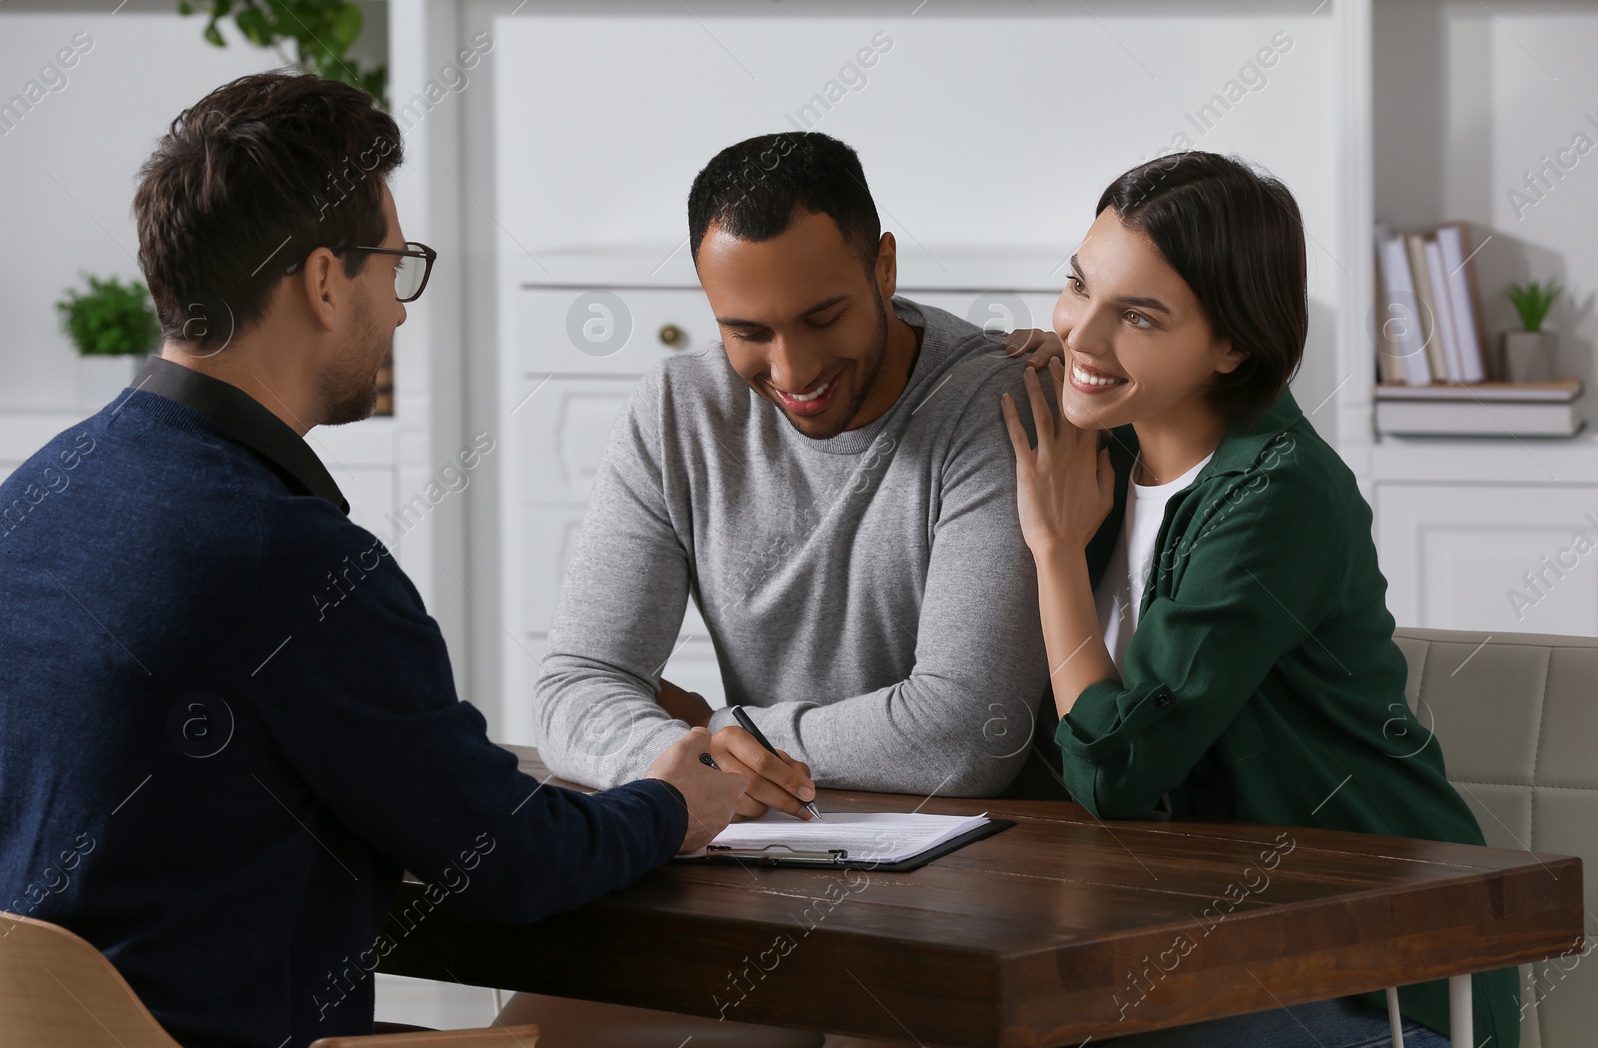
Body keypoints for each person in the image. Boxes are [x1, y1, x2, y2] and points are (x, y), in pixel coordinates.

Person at [0, 71, 746, 1048]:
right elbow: (509, 859)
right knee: (712, 1006)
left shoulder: (30, 499)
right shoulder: (288, 560)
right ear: (321, 280)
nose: (398, 311)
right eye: (395, 267)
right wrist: (672, 802)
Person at [999, 151, 1519, 1046]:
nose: (1083, 336)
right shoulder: (1103, 456)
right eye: (1079, 288)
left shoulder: (1279, 497)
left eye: (1139, 316)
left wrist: (1053, 551)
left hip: (1380, 982)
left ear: (1233, 344)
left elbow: (1114, 771)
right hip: (1195, 942)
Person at [531, 131, 1050, 814]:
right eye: (748, 332)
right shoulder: (676, 412)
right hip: (779, 837)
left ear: (885, 268)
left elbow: (967, 737)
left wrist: (720, 732)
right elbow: (575, 687)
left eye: (822, 318)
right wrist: (688, 759)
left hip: (989, 860)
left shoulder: (992, 405)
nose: (793, 371)